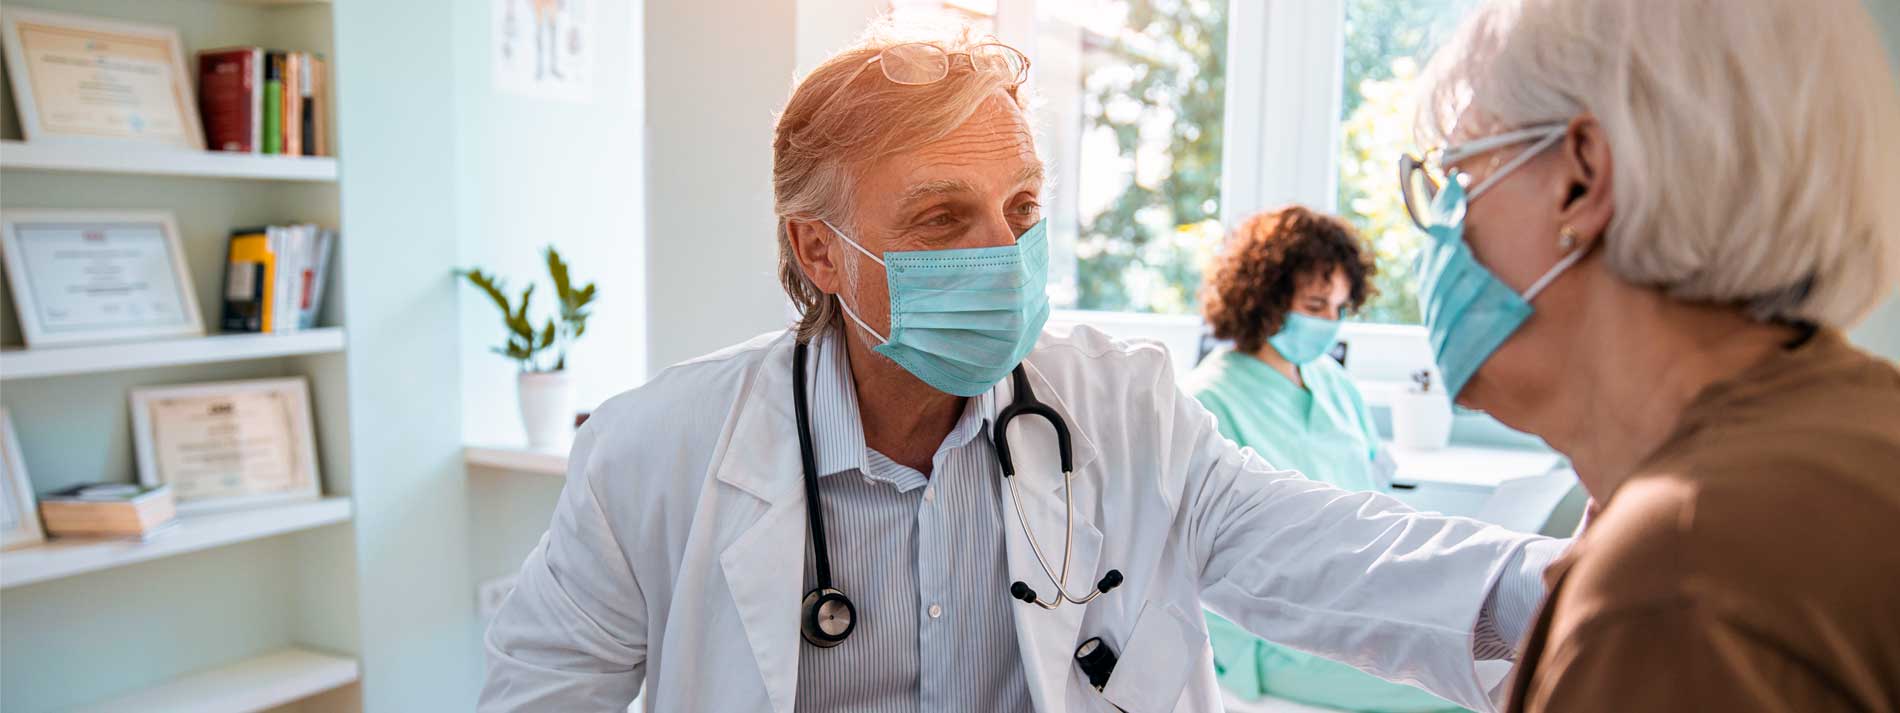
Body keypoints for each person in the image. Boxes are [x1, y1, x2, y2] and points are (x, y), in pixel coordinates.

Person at [479, 20, 1563, 713]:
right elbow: (537, 694)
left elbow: (1335, 555)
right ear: (819, 251)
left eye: (1022, 209)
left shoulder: (1121, 409)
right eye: (943, 217)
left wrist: (1566, 590)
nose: (1000, 255)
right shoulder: (654, 452)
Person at [1399, 0, 1900, 710]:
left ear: (1581, 177)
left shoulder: (1679, 577)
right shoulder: (1854, 431)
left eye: (1457, 175)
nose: (1442, 224)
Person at [1184, 205, 1463, 713]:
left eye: (1339, 308)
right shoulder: (1208, 401)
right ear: (1263, 298)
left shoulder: (1332, 383)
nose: (1329, 324)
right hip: (1272, 634)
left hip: (1364, 606)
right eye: (1315, 306)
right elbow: (1201, 558)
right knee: (1463, 691)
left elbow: (1377, 500)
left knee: (1498, 658)